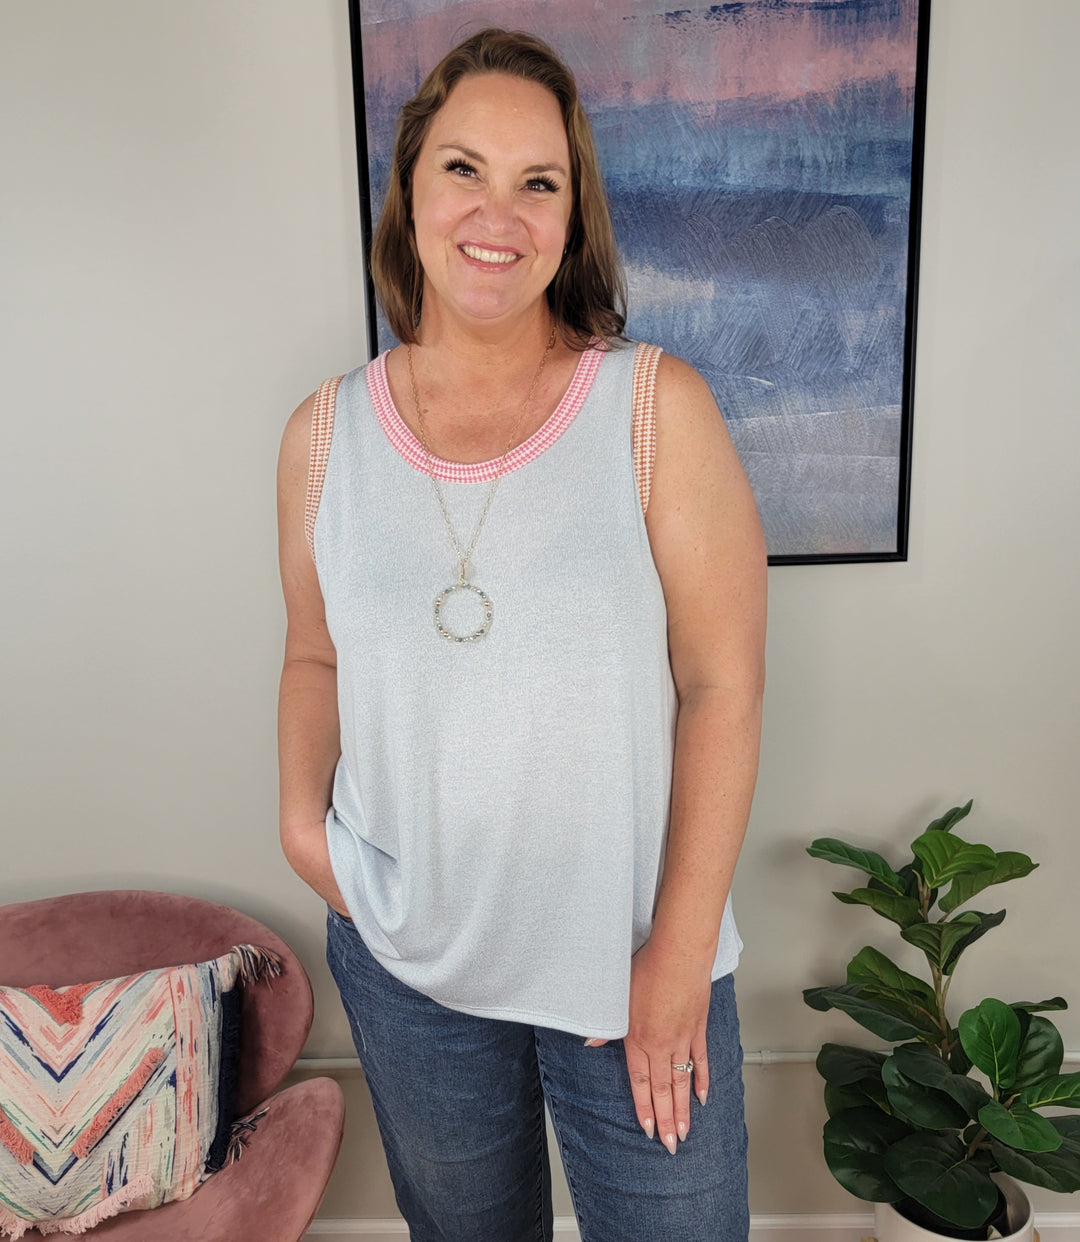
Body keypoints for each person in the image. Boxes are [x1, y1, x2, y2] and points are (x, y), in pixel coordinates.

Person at [277, 27, 766, 1242]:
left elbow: (723, 687)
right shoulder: (323, 436)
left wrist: (678, 958)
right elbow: (314, 654)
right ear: (410, 191)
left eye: (537, 181)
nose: (499, 211)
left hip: (632, 961)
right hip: (409, 971)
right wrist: (301, 830)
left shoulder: (655, 407)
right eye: (463, 169)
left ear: (572, 213)